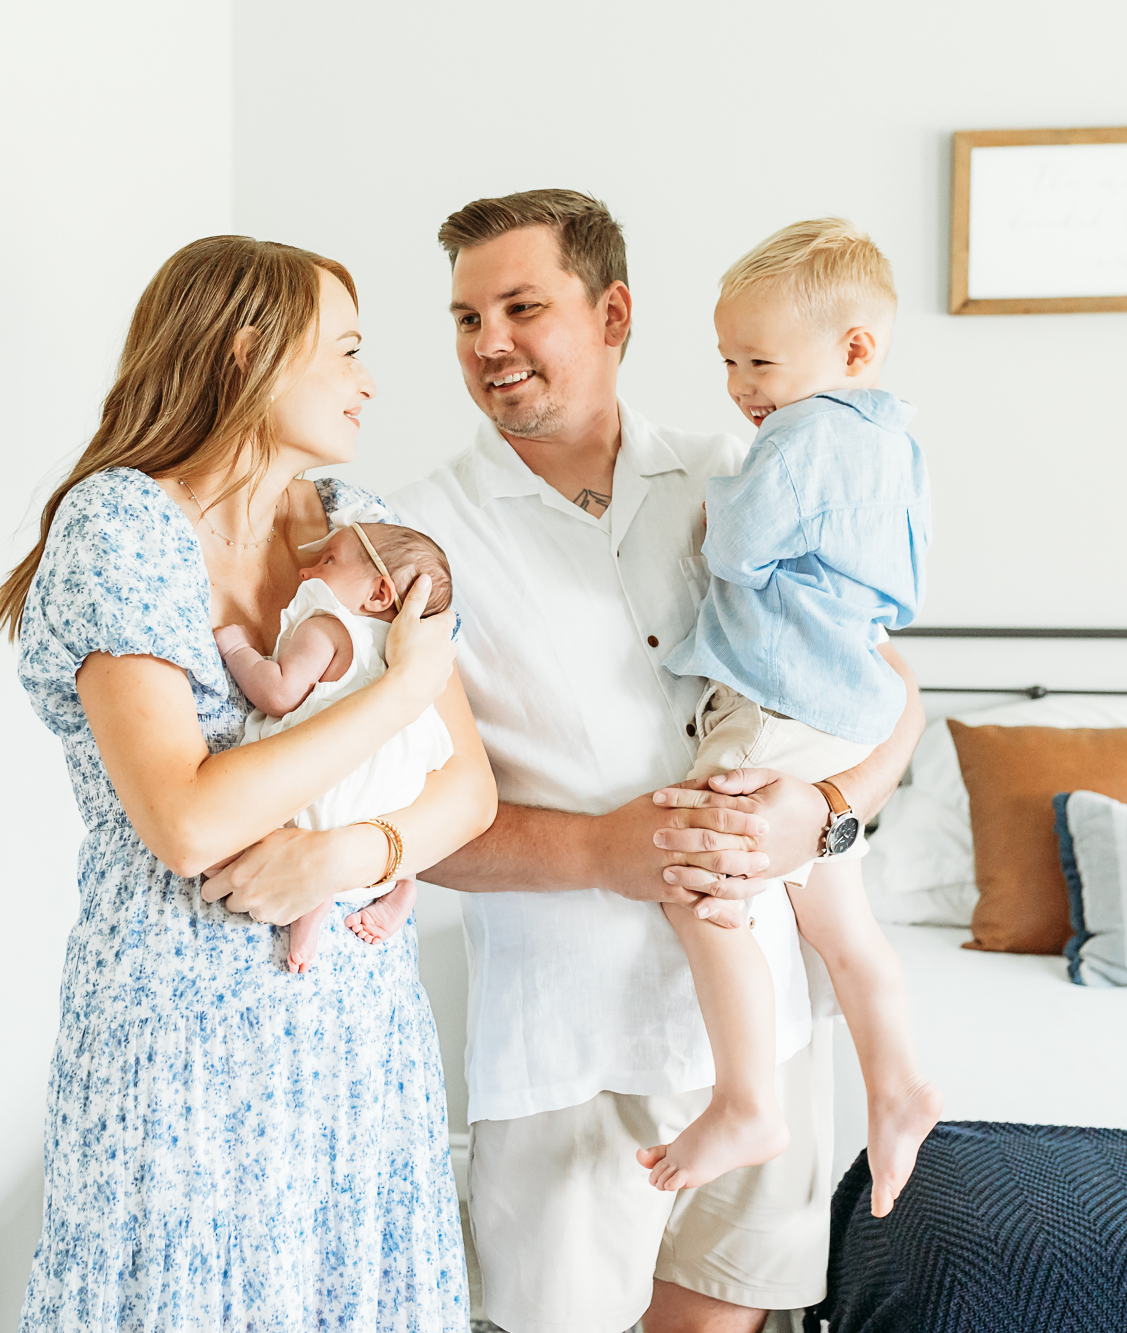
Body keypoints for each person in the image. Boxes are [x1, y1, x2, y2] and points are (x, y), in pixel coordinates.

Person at [389, 191, 925, 1333]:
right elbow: (410, 829)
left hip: (766, 1033)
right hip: (567, 1055)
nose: (488, 343)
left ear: (612, 311)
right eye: (464, 317)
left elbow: (890, 705)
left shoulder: (743, 470)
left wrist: (821, 813)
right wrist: (600, 848)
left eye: (521, 306)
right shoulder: (419, 538)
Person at [0, 235, 495, 1330]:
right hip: (183, 1040)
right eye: (347, 350)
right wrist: (398, 694)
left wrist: (341, 855)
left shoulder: (353, 525)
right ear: (247, 351)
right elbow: (184, 820)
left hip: (357, 1036)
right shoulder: (120, 527)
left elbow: (468, 796)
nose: (369, 380)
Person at [637, 218, 943, 1217]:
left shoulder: (801, 439)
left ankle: (745, 1098)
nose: (739, 386)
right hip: (848, 701)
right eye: (727, 360)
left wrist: (710, 510)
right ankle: (897, 1084)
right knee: (841, 925)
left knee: (696, 868)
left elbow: (734, 552)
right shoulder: (892, 441)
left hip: (775, 695)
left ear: (852, 349)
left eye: (759, 360)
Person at [214, 520, 457, 971]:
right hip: (386, 807)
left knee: (239, 840)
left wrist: (238, 651)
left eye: (328, 561)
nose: (307, 571)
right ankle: (402, 886)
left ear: (379, 595)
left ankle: (313, 903)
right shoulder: (408, 655)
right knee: (393, 801)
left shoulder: (330, 628)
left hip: (328, 797)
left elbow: (278, 692)